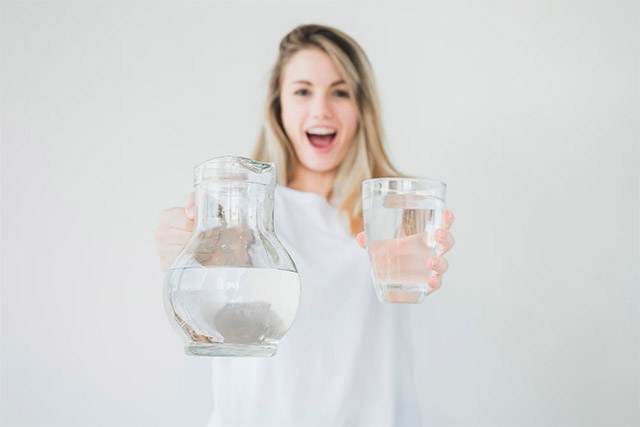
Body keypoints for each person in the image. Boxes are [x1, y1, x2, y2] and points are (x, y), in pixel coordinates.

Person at [155, 24, 455, 426]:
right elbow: (215, 307)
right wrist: (188, 253)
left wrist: (424, 261)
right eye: (302, 91)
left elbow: (411, 274)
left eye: (340, 91)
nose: (321, 110)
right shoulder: (243, 212)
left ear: (361, 107)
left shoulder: (392, 210)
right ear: (278, 106)